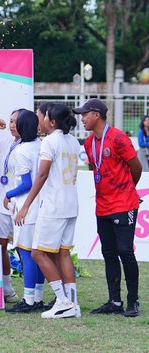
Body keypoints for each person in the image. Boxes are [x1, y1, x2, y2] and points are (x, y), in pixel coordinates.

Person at [74, 99, 142, 317]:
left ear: (96, 115)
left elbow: (136, 167)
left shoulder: (119, 138)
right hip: (102, 205)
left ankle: (133, 301)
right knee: (109, 253)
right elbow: (98, 170)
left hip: (124, 204)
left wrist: (128, 190)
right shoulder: (88, 143)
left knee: (125, 251)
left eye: (84, 114)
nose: (81, 118)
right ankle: (114, 301)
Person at [15, 103, 81, 319]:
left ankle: (62, 301)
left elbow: (41, 176)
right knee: (63, 253)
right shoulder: (72, 141)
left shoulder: (50, 141)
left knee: (38, 253)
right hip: (71, 204)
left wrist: (25, 206)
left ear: (51, 121)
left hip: (53, 206)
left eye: (41, 117)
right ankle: (72, 302)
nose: (38, 121)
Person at [3, 109, 46, 313]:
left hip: (26, 207)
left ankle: (28, 299)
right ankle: (37, 297)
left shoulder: (22, 150)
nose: (12, 125)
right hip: (41, 205)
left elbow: (26, 183)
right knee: (37, 254)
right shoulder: (41, 145)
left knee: (26, 253)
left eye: (15, 122)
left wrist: (8, 194)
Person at [0, 109, 23, 303]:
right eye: (10, 121)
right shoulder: (7, 142)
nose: (11, 125)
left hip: (20, 204)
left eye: (15, 122)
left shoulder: (32, 146)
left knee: (22, 248)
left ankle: (33, 292)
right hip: (3, 203)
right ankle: (7, 290)